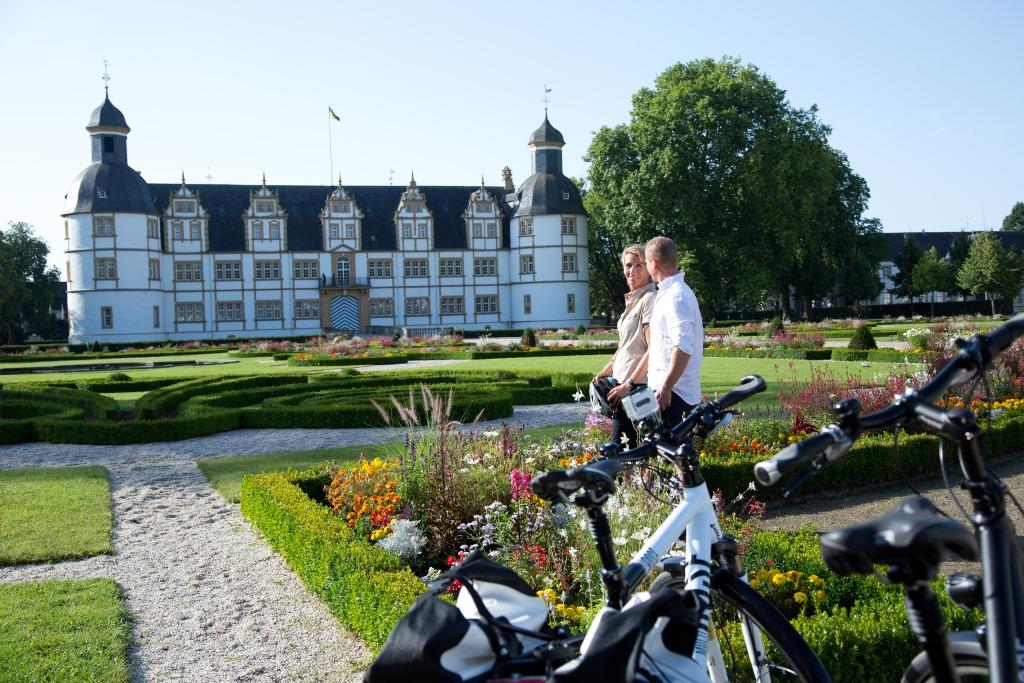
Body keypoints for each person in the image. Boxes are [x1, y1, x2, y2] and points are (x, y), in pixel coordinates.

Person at [619, 236, 703, 427]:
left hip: (675, 396)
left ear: (654, 263)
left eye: (645, 262)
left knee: (675, 453)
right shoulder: (669, 293)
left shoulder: (676, 296)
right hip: (668, 393)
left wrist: (666, 387)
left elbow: (683, 347)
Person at [594, 245, 657, 447]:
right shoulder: (633, 301)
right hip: (623, 387)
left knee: (630, 449)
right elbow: (626, 346)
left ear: (648, 268)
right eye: (629, 265)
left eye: (639, 265)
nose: (633, 271)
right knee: (630, 449)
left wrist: (629, 384)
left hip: (638, 388)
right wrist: (608, 367)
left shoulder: (649, 299)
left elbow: (653, 348)